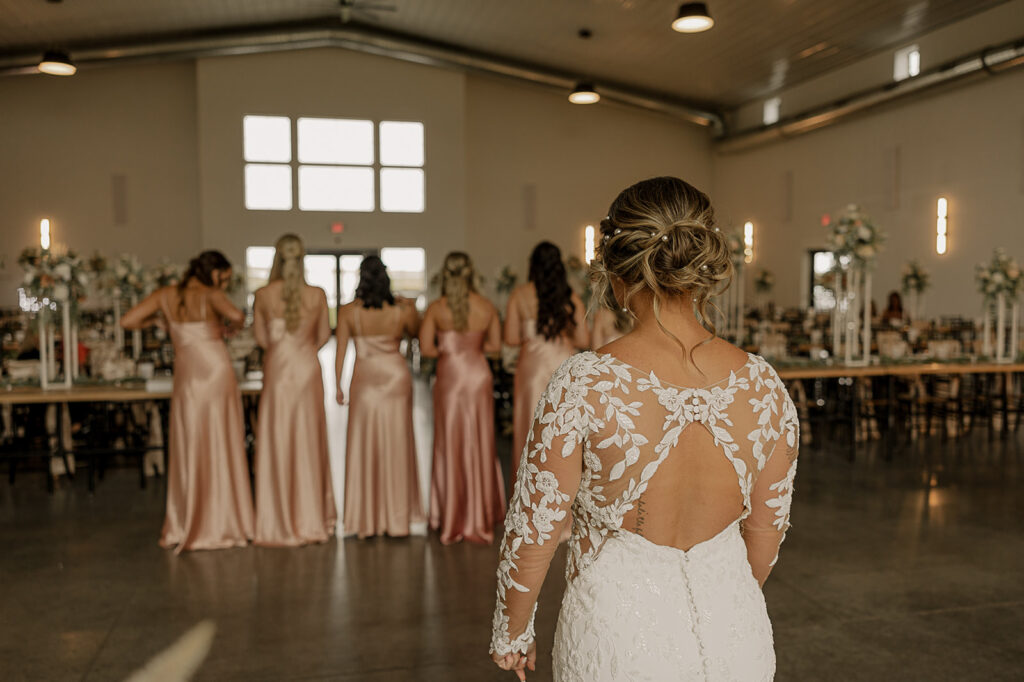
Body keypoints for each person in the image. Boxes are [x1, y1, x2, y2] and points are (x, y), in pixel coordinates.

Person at [489, 177, 800, 680]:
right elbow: (766, 528)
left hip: (616, 635)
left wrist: (513, 634)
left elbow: (535, 529)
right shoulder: (763, 387)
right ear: (703, 270)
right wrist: (728, 601)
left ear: (615, 274)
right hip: (734, 631)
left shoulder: (582, 384)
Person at [121, 250, 253, 552]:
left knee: (190, 441)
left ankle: (188, 519)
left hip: (187, 377)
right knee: (221, 439)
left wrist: (158, 322)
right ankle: (225, 519)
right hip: (216, 369)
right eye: (225, 276)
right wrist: (228, 328)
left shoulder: (165, 295)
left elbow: (127, 320)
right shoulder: (211, 294)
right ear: (213, 271)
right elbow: (237, 316)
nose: (225, 282)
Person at [252, 234, 336, 547]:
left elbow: (261, 339)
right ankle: (311, 519)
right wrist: (301, 348)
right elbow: (325, 335)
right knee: (309, 439)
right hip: (306, 368)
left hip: (277, 369)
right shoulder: (317, 294)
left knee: (278, 439)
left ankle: (278, 520)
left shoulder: (262, 294)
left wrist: (283, 349)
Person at [419, 252, 506, 544]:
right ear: (471, 274)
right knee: (481, 440)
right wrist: (472, 347)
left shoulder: (436, 309)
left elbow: (427, 350)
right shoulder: (486, 307)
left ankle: (450, 517)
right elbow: (495, 346)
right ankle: (479, 514)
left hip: (450, 377)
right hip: (478, 375)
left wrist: (450, 347)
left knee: (449, 442)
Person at [335, 256, 423, 538]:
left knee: (364, 443)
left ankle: (366, 519)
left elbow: (340, 351)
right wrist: (411, 308)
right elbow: (417, 335)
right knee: (397, 442)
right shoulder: (401, 310)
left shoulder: (349, 311)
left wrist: (337, 384)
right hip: (396, 376)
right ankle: (396, 519)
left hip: (364, 378)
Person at [504, 242, 589, 467]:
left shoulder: (519, 295)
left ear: (532, 265)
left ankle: (530, 487)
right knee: (563, 428)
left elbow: (511, 338)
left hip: (532, 368)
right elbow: (583, 340)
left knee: (530, 427)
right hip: (563, 365)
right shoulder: (571, 297)